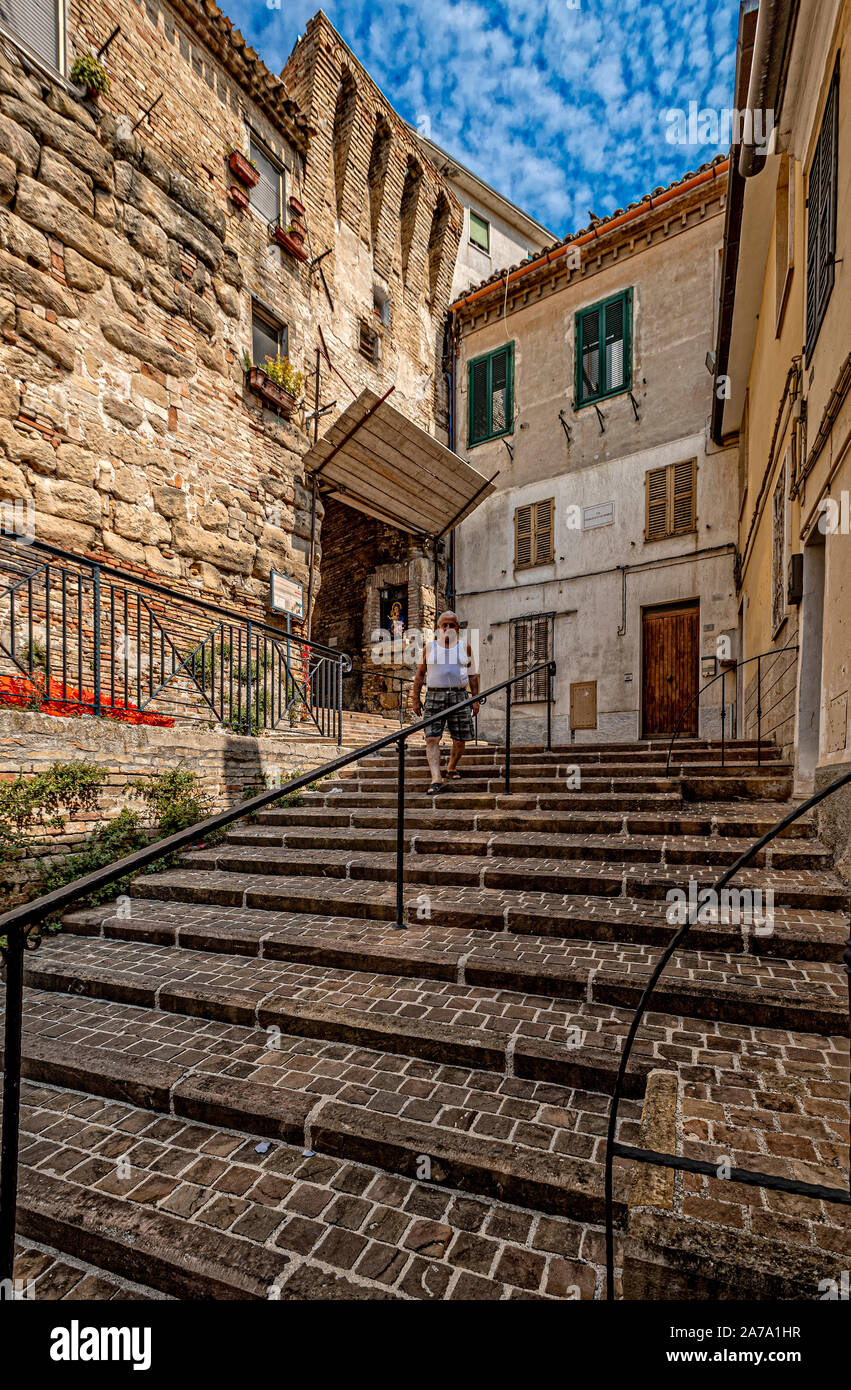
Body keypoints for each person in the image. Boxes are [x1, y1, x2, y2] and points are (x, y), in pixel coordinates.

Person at [411, 611, 479, 793]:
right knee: (431, 737)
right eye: (444, 625)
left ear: (458, 628)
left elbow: (473, 675)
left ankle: (451, 767)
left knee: (460, 738)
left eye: (452, 625)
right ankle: (436, 777)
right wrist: (415, 698)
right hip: (434, 696)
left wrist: (476, 699)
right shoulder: (430, 648)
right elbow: (419, 674)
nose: (448, 628)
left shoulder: (465, 647)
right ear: (439, 628)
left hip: (459, 696)